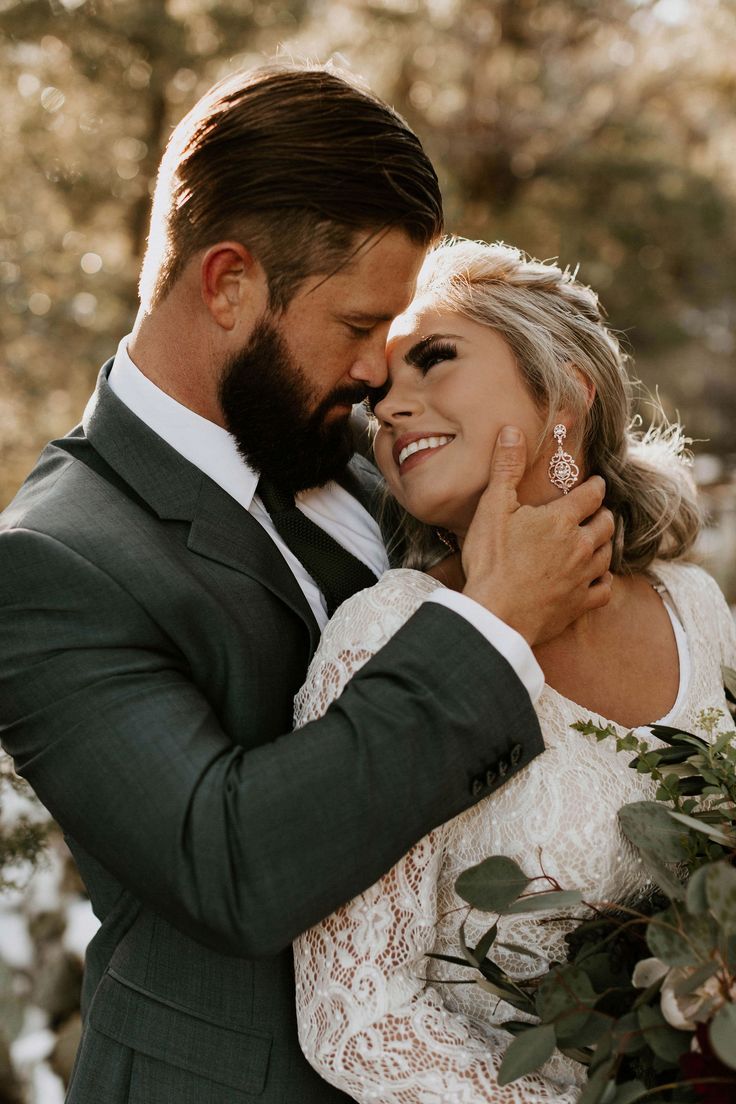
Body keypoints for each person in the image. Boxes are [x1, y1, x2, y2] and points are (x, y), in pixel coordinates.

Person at [0, 68, 614, 1104]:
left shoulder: (373, 454)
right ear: (229, 281)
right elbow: (230, 866)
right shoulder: (53, 561)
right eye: (359, 324)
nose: (384, 371)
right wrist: (490, 624)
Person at [292, 238, 736, 1103]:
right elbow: (356, 1018)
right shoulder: (384, 635)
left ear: (566, 389)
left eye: (435, 359)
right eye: (377, 397)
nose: (391, 410)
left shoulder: (695, 606)